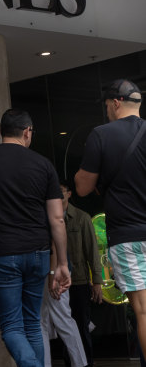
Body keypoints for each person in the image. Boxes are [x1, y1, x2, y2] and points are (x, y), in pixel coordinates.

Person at [0, 108, 71, 367]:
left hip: (1, 254)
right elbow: (57, 219)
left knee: (11, 326)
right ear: (27, 132)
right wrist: (62, 264)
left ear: (2, 132)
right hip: (39, 253)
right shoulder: (44, 165)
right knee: (32, 323)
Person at [75, 78, 146, 355]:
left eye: (106, 105)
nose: (106, 111)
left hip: (127, 236)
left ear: (116, 103)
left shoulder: (101, 134)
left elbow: (82, 187)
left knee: (142, 312)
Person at [60, 179, 102, 367]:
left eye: (61, 191)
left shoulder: (81, 218)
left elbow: (92, 252)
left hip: (79, 281)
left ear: (69, 193)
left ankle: (87, 363)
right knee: (63, 329)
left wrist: (97, 282)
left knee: (81, 327)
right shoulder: (49, 217)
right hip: (59, 284)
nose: (57, 195)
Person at [40, 244, 87, 367]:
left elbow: (54, 240)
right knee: (41, 323)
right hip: (43, 268)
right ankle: (79, 363)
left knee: (61, 319)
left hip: (52, 268)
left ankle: (80, 363)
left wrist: (53, 272)